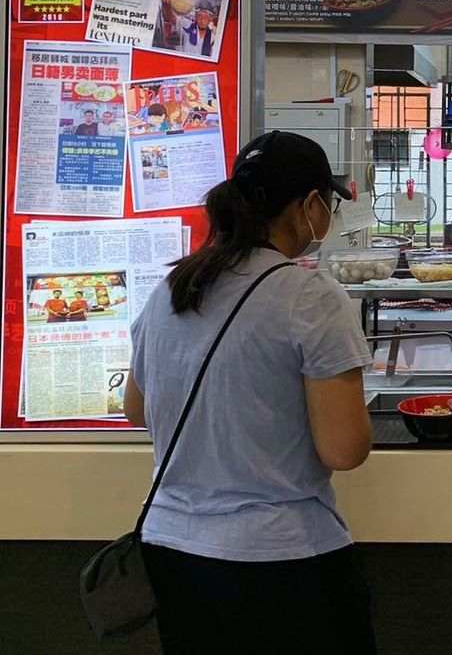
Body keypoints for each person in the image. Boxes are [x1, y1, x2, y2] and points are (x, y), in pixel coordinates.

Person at [124, 131, 376, 654]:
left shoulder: (173, 287)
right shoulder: (309, 295)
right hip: (280, 559)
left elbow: (137, 410)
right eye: (327, 203)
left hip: (172, 554)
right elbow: (344, 450)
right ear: (309, 205)